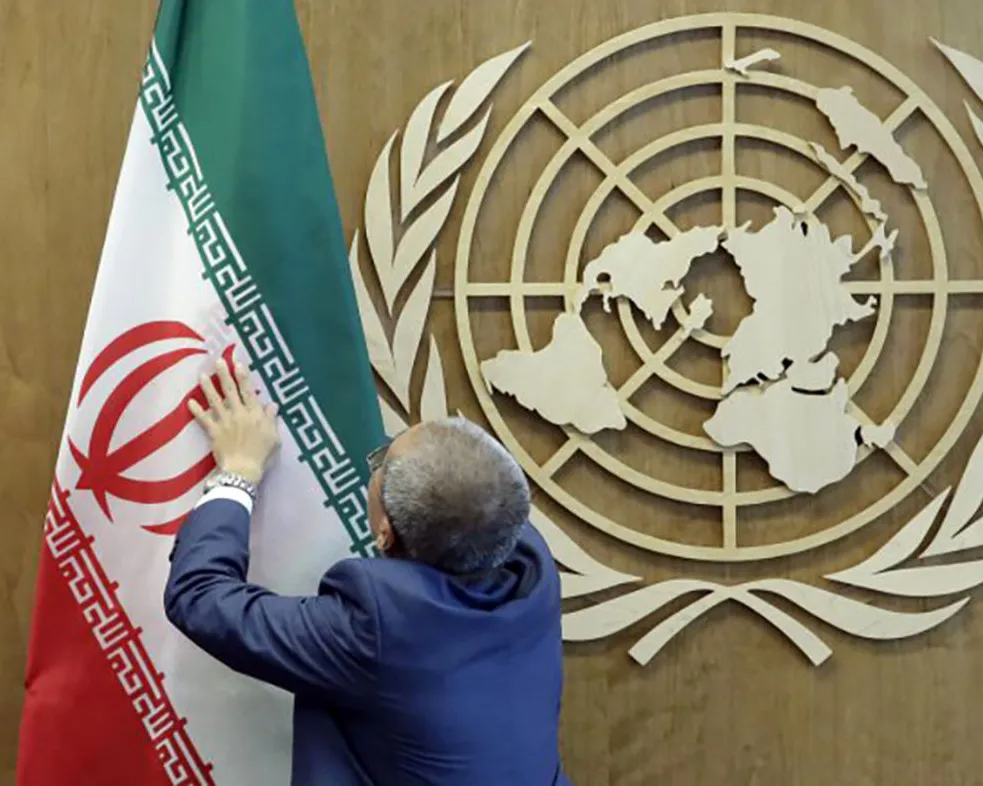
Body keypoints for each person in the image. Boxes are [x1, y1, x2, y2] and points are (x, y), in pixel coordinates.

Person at [164, 359, 571, 785]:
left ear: (384, 533)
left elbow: (200, 596)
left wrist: (239, 472)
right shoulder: (531, 562)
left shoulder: (381, 626)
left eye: (380, 463)